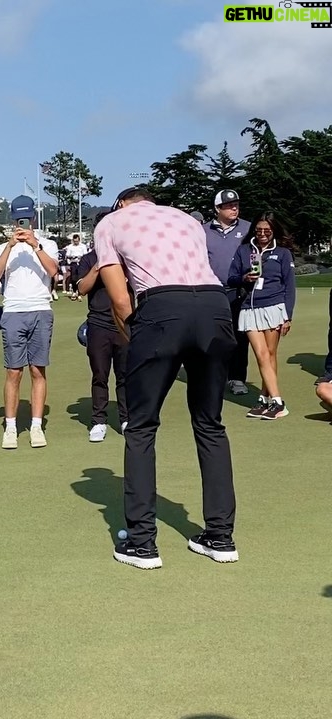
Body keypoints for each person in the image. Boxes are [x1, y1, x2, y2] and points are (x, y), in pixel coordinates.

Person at [96, 186, 238, 570]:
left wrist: (136, 338)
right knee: (210, 424)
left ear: (123, 203)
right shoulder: (185, 218)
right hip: (214, 305)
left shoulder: (111, 222)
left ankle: (142, 544)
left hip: (162, 307)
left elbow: (120, 299)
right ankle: (220, 537)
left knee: (141, 426)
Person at [0, 195, 58, 449]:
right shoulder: (3, 247)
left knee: (37, 369)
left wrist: (35, 246)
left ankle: (36, 426)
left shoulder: (47, 243)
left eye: (27, 217)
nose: (23, 221)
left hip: (41, 309)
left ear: (33, 217)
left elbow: (53, 271)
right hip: (13, 311)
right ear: (13, 218)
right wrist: (9, 246)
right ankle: (10, 427)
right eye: (19, 217)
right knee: (13, 371)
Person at [228, 211, 296, 420]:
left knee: (270, 353)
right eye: (259, 230)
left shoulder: (283, 253)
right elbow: (231, 278)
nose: (263, 234)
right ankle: (277, 400)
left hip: (274, 306)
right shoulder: (244, 250)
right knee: (261, 354)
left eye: (267, 230)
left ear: (273, 231)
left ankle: (266, 399)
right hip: (249, 307)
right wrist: (244, 278)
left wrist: (288, 316)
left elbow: (289, 286)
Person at [77, 219, 130, 443]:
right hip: (98, 324)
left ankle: (127, 418)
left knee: (125, 375)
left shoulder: (127, 255)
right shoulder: (88, 259)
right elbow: (81, 288)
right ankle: (99, 421)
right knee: (100, 375)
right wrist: (99, 266)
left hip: (124, 323)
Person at [203, 190, 252, 395]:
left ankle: (237, 378)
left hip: (239, 290)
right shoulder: (203, 231)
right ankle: (214, 375)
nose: (234, 208)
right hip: (211, 292)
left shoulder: (248, 228)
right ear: (217, 209)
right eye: (229, 205)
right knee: (213, 336)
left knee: (239, 337)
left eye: (236, 204)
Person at [64, 233, 86, 300]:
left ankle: (79, 293)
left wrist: (80, 256)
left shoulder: (83, 246)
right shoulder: (70, 246)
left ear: (79, 240)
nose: (76, 242)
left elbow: (85, 254)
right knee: (73, 278)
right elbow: (67, 255)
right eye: (75, 241)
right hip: (73, 263)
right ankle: (74, 291)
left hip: (81, 263)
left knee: (79, 278)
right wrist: (71, 256)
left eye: (77, 241)